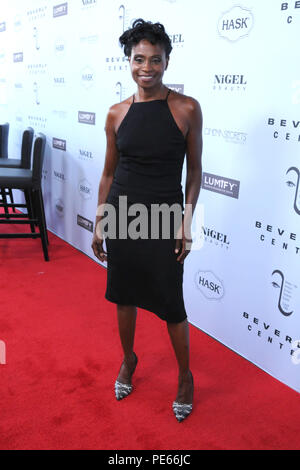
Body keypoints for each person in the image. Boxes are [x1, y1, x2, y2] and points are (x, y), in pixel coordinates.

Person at [92, 19, 202, 422]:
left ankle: (185, 377)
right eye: (139, 59)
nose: (147, 67)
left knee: (172, 305)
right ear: (129, 61)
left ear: (167, 61)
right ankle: (129, 358)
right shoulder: (116, 114)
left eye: (156, 59)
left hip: (164, 218)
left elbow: (194, 173)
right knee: (123, 296)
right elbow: (107, 174)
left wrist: (186, 222)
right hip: (122, 213)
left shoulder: (186, 109)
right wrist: (101, 221)